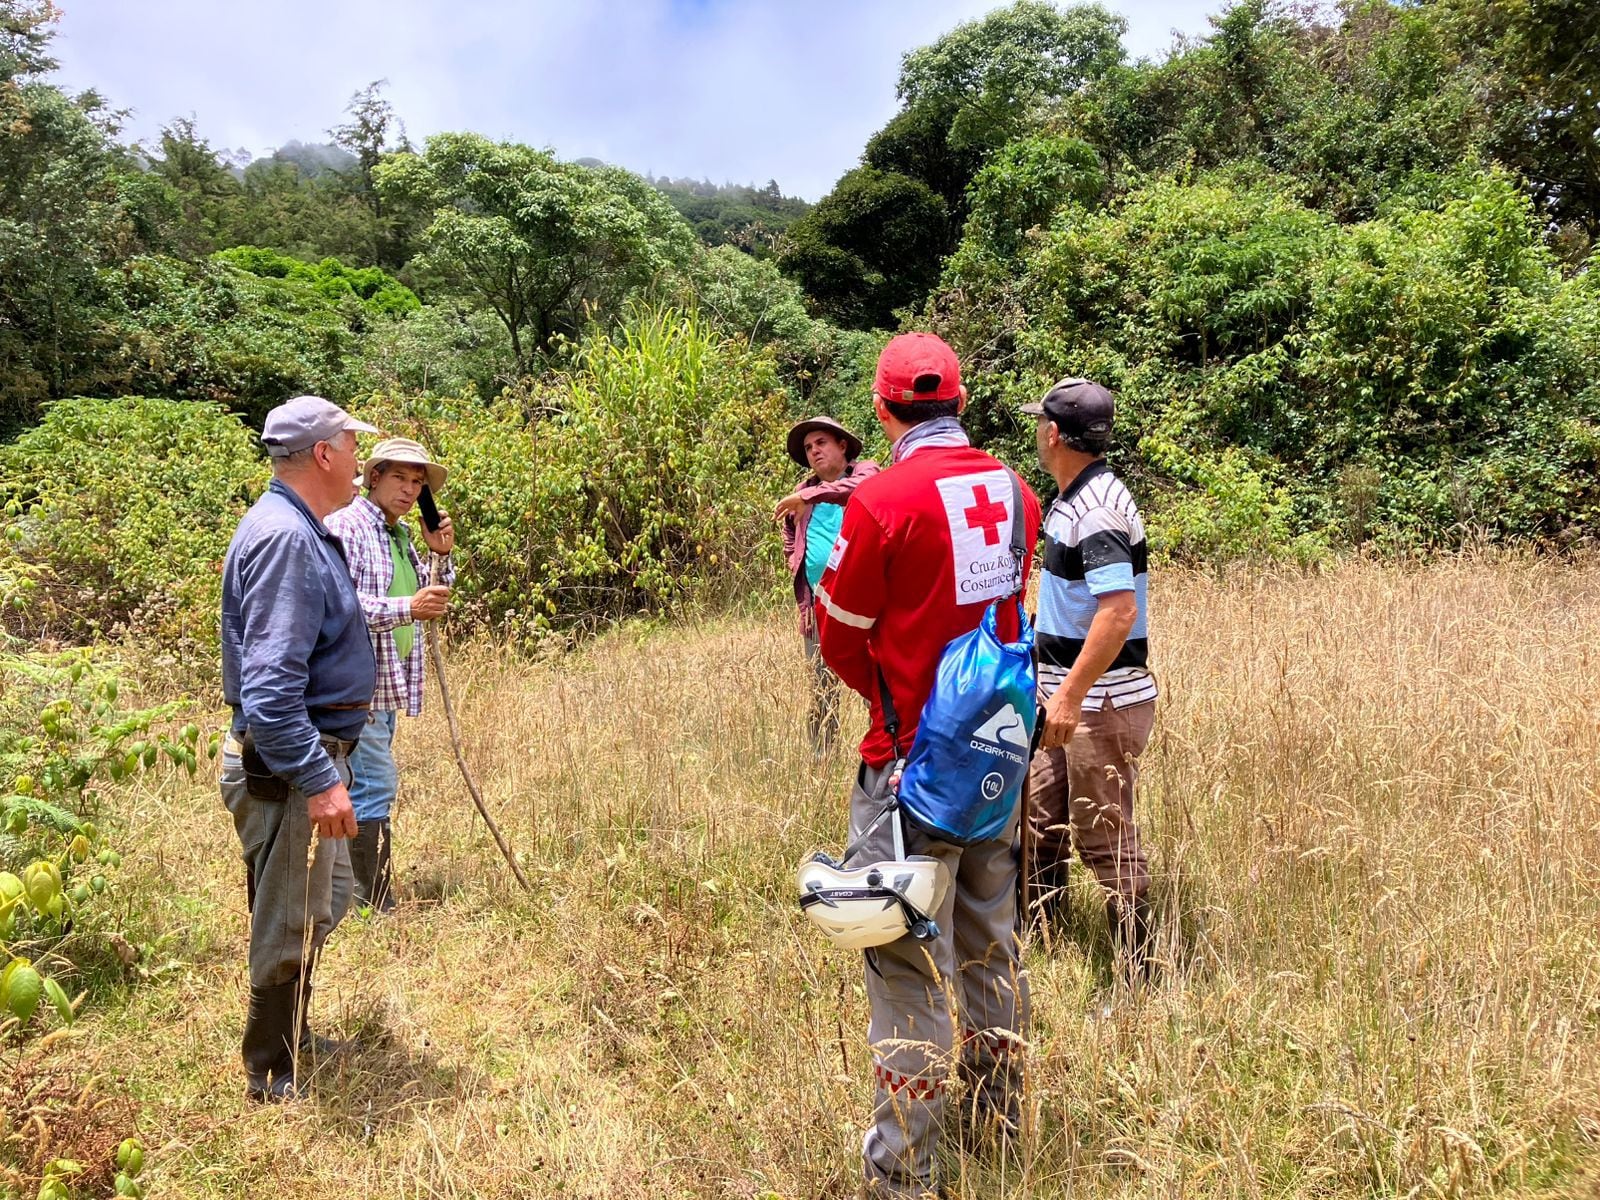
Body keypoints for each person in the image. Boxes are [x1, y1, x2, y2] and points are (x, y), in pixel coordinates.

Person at [815, 332, 1042, 1198]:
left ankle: (905, 1171)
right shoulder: (1016, 490)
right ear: (961, 401)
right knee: (991, 944)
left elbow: (841, 637)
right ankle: (998, 1121)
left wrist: (894, 711)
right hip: (998, 756)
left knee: (904, 960)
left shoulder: (880, 503)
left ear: (883, 411)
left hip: (909, 768)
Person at [219, 394, 379, 1102]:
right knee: (287, 918)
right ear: (323, 453)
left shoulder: (299, 527)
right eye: (352, 446)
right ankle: (271, 1070)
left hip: (307, 758)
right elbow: (271, 691)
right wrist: (320, 778)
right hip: (289, 766)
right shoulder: (286, 537)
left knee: (320, 902)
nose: (358, 460)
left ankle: (294, 1037)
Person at [1022, 377, 1158, 980]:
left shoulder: (1096, 508)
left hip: (1097, 702)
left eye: (1040, 422)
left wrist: (1071, 696)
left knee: (1103, 836)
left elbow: (1118, 611)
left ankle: (1139, 975)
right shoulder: (1075, 498)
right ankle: (1043, 946)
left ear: (1054, 433)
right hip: (1064, 696)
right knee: (1039, 820)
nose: (1037, 432)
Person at [324, 438, 456, 911]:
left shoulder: (397, 535)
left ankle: (353, 895)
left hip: (385, 683)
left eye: (417, 482)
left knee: (362, 783)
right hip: (357, 686)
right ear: (374, 477)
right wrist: (407, 608)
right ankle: (370, 902)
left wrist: (440, 554)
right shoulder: (349, 526)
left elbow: (431, 593)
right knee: (373, 784)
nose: (409, 490)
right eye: (399, 477)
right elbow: (338, 604)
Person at [774, 416, 879, 754]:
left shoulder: (865, 474)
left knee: (877, 688)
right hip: (818, 608)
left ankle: (886, 758)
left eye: (821, 443)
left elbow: (857, 489)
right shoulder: (802, 494)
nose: (814, 451)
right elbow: (790, 534)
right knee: (822, 691)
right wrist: (793, 560)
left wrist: (810, 496)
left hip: (864, 608)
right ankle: (822, 763)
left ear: (842, 445)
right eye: (808, 447)